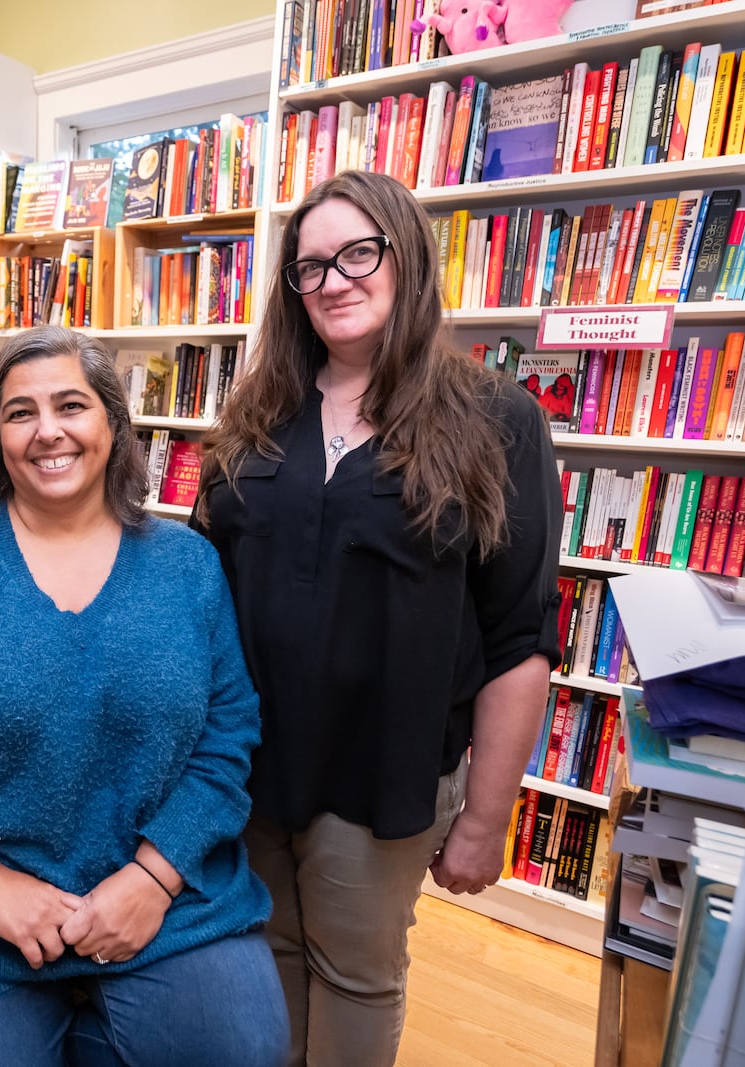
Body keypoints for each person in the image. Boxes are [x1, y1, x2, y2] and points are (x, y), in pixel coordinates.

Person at [0, 325, 287, 1067]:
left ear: (112, 421)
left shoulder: (186, 565)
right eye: (20, 413)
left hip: (161, 902)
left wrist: (152, 877)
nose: (48, 430)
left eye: (71, 405)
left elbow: (227, 735)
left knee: (243, 1046)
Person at [192, 169, 562, 1067]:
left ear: (407, 257)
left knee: (356, 970)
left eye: (360, 252)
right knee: (265, 948)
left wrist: (483, 818)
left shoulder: (496, 418)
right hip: (249, 762)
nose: (334, 280)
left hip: (384, 773)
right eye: (310, 267)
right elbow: (203, 583)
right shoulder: (256, 414)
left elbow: (519, 640)